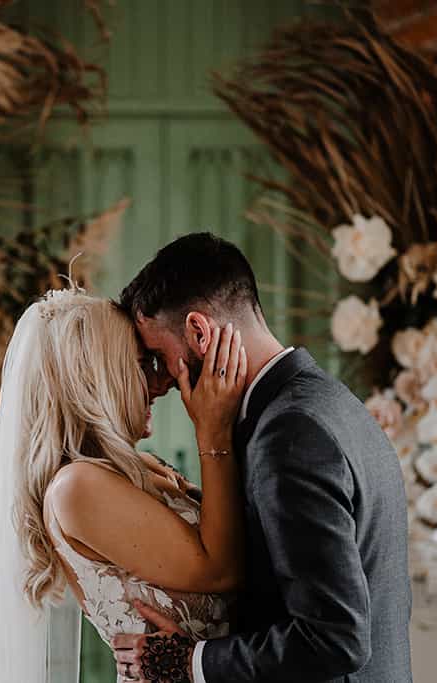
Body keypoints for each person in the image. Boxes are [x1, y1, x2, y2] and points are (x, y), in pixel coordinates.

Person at [113, 232, 413, 683]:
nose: (159, 383)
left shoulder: (289, 433)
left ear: (198, 331)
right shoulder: (327, 400)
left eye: (158, 356)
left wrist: (189, 661)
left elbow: (335, 638)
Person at [0, 289, 248, 683]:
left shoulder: (137, 468)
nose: (162, 381)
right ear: (97, 378)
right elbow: (221, 571)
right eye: (143, 365)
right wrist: (213, 432)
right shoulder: (76, 488)